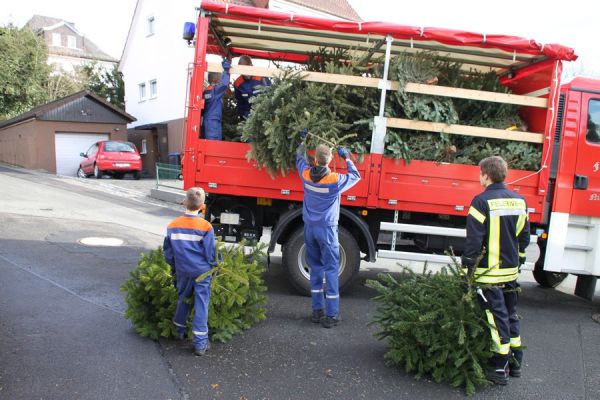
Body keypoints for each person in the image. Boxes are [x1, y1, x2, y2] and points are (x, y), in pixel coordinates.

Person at [461, 156, 530, 385]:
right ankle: (516, 362)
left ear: (486, 175)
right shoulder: (519, 201)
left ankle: (499, 367)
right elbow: (525, 238)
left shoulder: (481, 202)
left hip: (489, 275)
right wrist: (518, 262)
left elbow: (473, 243)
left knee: (495, 316)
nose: (480, 177)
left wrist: (466, 274)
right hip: (510, 273)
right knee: (510, 314)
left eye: (480, 173)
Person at [296, 129, 361, 328]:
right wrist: (347, 158)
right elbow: (355, 176)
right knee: (331, 269)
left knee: (315, 267)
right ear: (330, 159)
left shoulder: (306, 174)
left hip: (310, 229)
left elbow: (299, 158)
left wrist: (301, 140)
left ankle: (317, 311)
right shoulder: (335, 181)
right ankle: (332, 315)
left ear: (315, 160)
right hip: (327, 230)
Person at [163, 187, 217, 356]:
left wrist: (175, 266)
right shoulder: (206, 227)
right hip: (202, 272)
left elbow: (168, 252)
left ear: (184, 202)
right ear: (203, 206)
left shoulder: (173, 226)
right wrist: (214, 267)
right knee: (201, 303)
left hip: (183, 271)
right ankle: (200, 344)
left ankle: (179, 331)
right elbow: (210, 253)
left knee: (183, 299)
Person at [233, 55, 271, 119]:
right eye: (241, 70)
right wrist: (243, 115)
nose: (244, 73)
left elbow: (270, 95)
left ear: (251, 66)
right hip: (247, 116)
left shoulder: (261, 78)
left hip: (263, 114)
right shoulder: (238, 83)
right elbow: (240, 102)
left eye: (245, 69)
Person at [201, 59, 231, 140]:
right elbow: (224, 84)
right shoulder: (215, 91)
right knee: (214, 144)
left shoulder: (206, 91)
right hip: (213, 123)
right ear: (217, 80)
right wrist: (226, 70)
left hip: (207, 121)